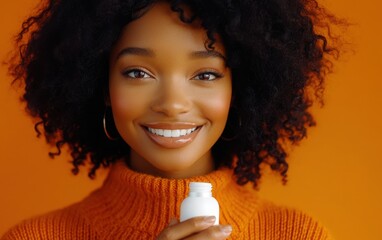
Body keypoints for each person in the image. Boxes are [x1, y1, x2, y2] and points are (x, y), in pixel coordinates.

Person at [2, 0, 344, 239]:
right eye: (137, 72)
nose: (172, 104)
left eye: (206, 75)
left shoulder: (298, 235)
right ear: (102, 85)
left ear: (238, 89)